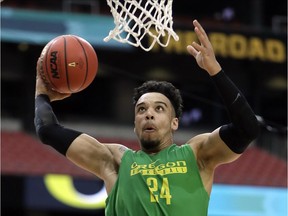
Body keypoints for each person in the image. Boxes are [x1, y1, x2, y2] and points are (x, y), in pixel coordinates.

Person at [34, 20, 259, 215]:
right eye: (141, 110)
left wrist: (215, 70)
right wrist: (41, 92)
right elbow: (48, 130)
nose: (148, 113)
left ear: (175, 123)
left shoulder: (197, 154)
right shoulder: (116, 161)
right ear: (134, 124)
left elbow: (247, 129)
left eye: (159, 109)